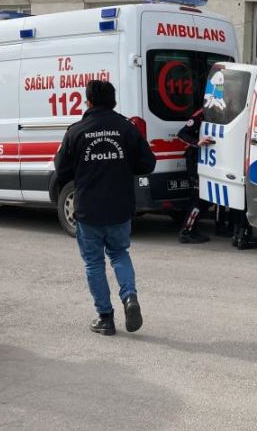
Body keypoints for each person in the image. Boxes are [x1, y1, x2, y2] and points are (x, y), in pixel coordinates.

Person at [55, 80, 156, 336]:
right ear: (113, 101)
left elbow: (61, 169)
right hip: (120, 207)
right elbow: (148, 164)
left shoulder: (76, 131)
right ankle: (130, 298)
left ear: (88, 101)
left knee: (94, 263)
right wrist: (124, 164)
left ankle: (105, 318)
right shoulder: (127, 128)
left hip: (89, 210)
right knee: (119, 254)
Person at [176, 108, 214, 244]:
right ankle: (186, 231)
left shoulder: (218, 112)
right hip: (195, 161)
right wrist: (197, 142)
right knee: (198, 199)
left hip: (207, 162)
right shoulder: (202, 113)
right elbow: (181, 133)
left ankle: (192, 229)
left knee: (203, 200)